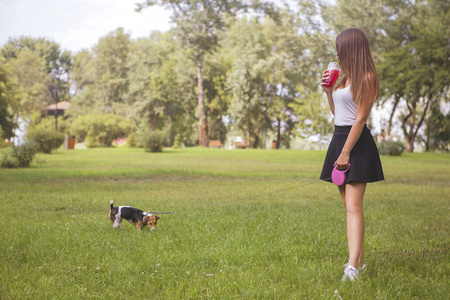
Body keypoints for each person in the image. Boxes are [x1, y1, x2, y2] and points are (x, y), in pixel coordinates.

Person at [319, 28, 384, 281]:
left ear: (352, 49)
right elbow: (339, 115)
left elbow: (360, 119)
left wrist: (346, 152)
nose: (337, 53)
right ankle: (361, 262)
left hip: (356, 144)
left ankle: (352, 267)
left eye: (341, 49)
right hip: (339, 139)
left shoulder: (367, 78)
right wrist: (328, 92)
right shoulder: (344, 79)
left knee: (354, 207)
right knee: (349, 208)